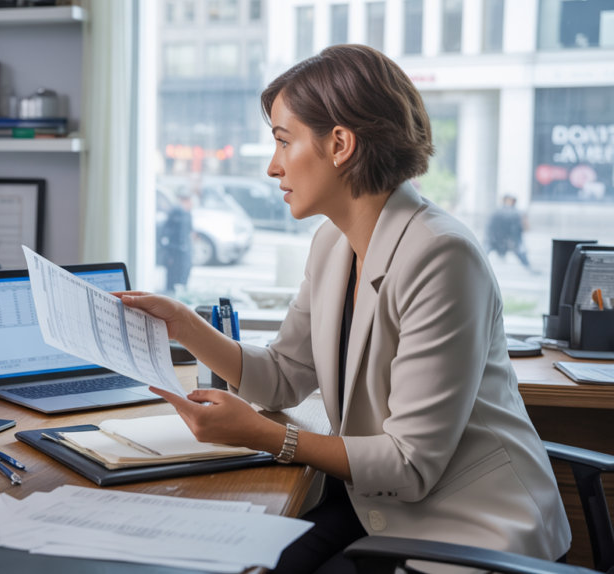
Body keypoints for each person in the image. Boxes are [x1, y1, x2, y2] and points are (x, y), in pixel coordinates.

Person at [120, 45, 570, 573]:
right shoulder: (332, 244)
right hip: (376, 506)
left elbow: (408, 464)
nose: (272, 166)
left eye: (283, 141)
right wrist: (184, 325)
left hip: (468, 529)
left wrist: (265, 436)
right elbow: (283, 377)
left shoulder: (442, 255)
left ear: (339, 144)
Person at [486, 195, 533, 271]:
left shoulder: (512, 212)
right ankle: (529, 268)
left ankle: (529, 268)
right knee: (485, 250)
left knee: (520, 252)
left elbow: (521, 228)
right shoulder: (512, 212)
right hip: (500, 238)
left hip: (505, 239)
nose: (510, 202)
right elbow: (491, 227)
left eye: (512, 200)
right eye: (509, 200)